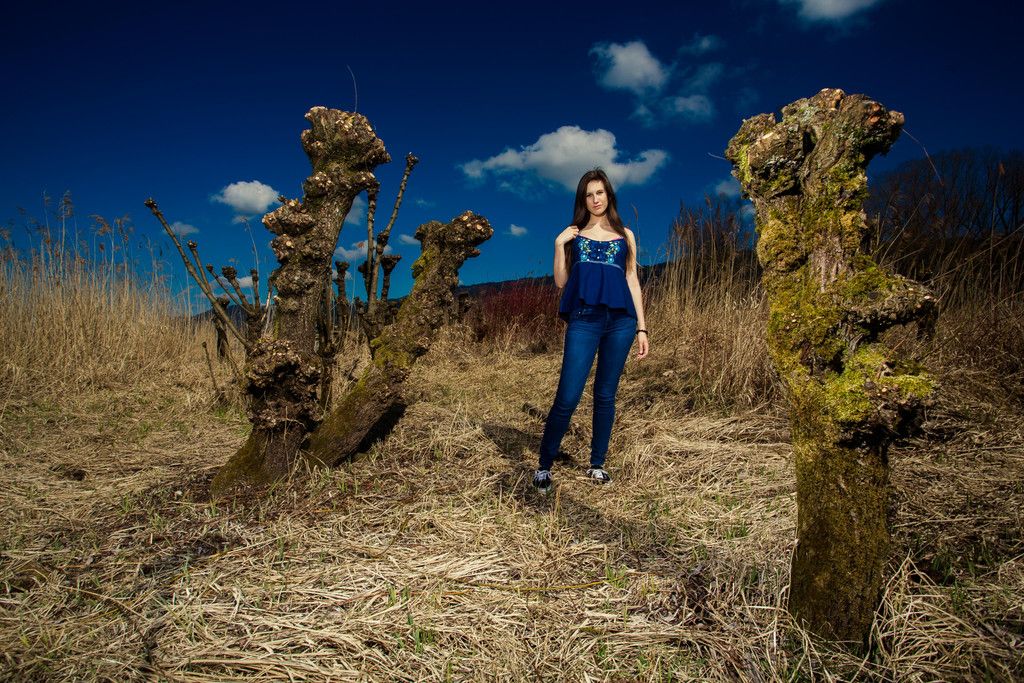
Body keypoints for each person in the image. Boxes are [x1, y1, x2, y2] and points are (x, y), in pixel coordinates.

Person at [533, 168, 649, 492]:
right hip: (584, 319)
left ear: (608, 195)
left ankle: (597, 464)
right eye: (589, 195)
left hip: (621, 322)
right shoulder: (575, 236)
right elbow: (561, 282)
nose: (595, 199)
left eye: (600, 192)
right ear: (582, 200)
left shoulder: (626, 236)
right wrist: (558, 245)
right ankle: (544, 465)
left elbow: (632, 280)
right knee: (568, 396)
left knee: (605, 394)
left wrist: (642, 328)